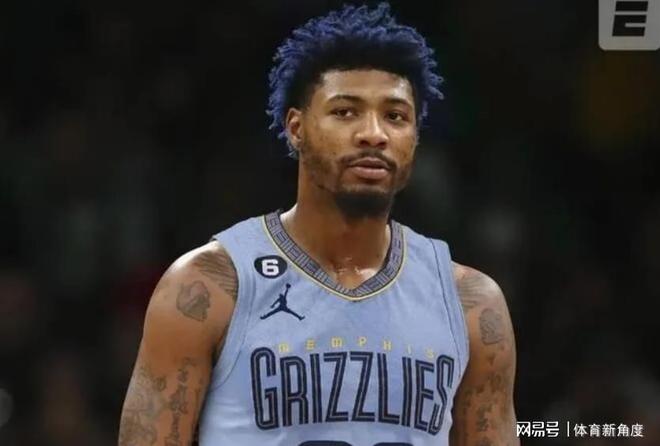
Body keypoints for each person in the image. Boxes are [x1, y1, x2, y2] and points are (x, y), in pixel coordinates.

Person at [118, 3, 518, 446]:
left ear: (415, 138)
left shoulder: (471, 304)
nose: (374, 133)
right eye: (345, 112)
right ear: (296, 128)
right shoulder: (207, 287)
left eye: (395, 116)